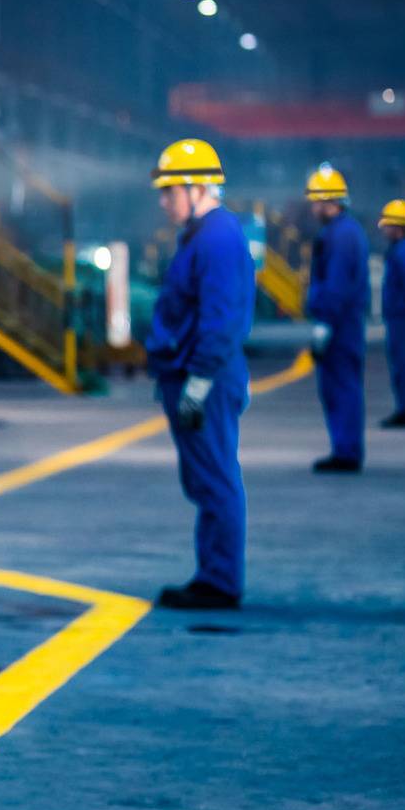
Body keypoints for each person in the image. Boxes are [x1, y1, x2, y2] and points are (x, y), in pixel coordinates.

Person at [142, 140, 253, 610]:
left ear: (198, 188)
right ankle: (215, 574)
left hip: (203, 381)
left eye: (171, 192)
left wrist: (200, 382)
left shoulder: (217, 239)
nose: (164, 202)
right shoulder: (205, 235)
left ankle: (220, 581)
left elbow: (221, 319)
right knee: (208, 479)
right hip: (194, 377)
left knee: (215, 480)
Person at [304, 165, 369, 472]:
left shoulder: (340, 236)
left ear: (329, 201)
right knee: (344, 387)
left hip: (340, 326)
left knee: (341, 389)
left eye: (316, 202)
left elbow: (337, 283)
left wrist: (324, 324)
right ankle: (346, 448)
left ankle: (346, 452)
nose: (313, 208)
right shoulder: (345, 231)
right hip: (346, 325)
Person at [381, 198, 405, 429]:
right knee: (403, 365)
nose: (384, 229)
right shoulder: (403, 250)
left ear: (398, 227)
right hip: (402, 316)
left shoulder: (403, 252)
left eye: (387, 225)